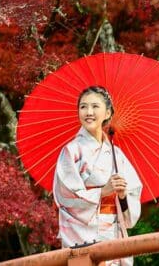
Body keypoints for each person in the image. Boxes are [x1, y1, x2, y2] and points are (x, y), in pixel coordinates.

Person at [53, 86, 142, 266]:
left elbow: (131, 206)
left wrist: (123, 195)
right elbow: (66, 196)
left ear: (107, 112)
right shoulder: (71, 151)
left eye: (95, 106)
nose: (89, 112)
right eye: (83, 107)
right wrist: (103, 191)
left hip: (113, 231)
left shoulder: (116, 154)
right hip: (82, 233)